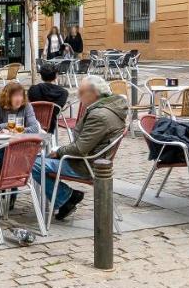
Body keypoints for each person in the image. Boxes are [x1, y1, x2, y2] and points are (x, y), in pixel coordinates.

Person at [30, 75, 127, 220]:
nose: (79, 95)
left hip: (86, 165)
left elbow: (80, 149)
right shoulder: (109, 107)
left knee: (31, 164)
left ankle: (65, 197)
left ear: (94, 93)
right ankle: (65, 198)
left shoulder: (99, 115)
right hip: (94, 159)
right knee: (38, 158)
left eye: (82, 92)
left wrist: (58, 152)